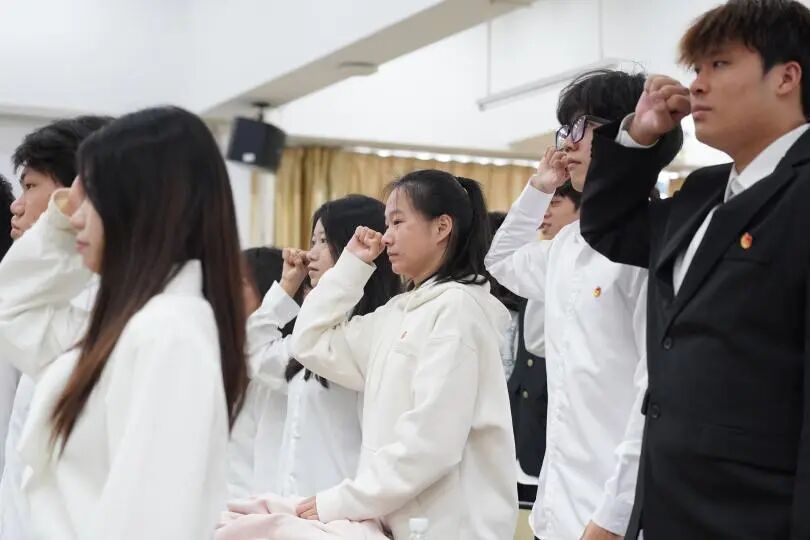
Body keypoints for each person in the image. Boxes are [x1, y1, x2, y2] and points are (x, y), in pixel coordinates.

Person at [579, 1, 810, 538]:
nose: (697, 84)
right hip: (670, 507)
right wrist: (639, 137)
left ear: (786, 77)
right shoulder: (703, 192)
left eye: (719, 64)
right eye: (697, 68)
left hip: (759, 515)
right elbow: (611, 228)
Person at [0, 106, 248, 539]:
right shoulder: (130, 324)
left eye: (90, 198)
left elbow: (152, 524)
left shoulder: (169, 332)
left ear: (140, 205)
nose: (73, 216)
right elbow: (11, 308)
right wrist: (59, 221)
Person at [485, 69, 678, 540]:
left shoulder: (651, 244)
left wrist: (615, 515)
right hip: (555, 508)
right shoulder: (567, 245)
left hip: (615, 516)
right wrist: (539, 188)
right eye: (564, 129)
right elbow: (501, 260)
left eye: (580, 127)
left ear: (630, 131)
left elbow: (652, 397)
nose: (567, 142)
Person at [291, 170, 517, 539]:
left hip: (451, 528)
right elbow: (310, 342)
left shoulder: (458, 311)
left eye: (398, 222)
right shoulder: (399, 312)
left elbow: (431, 442)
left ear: (441, 227)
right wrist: (351, 266)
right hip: (399, 522)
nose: (387, 236)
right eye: (387, 224)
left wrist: (344, 501)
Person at [229, 195, 400, 499]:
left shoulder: (371, 333)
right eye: (312, 241)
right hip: (292, 509)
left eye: (323, 241)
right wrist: (286, 288)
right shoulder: (310, 337)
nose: (312, 253)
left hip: (341, 511)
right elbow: (254, 354)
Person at [0, 116, 111, 540]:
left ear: (78, 190)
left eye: (30, 186)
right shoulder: (60, 293)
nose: (17, 205)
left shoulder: (102, 304)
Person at [503, 181, 581, 508]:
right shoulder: (541, 261)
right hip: (523, 418)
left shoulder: (581, 269)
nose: (544, 214)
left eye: (555, 204)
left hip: (557, 421)